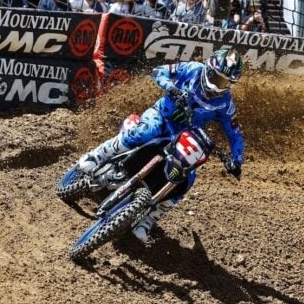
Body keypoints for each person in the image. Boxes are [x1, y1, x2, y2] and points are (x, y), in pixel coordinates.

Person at [76, 48, 245, 242]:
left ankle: (147, 220)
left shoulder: (225, 103)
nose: (218, 84)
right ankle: (97, 155)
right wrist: (171, 88)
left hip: (181, 135)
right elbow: (159, 71)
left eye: (224, 81)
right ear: (209, 68)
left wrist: (237, 160)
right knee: (146, 131)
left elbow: (235, 134)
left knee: (187, 177)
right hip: (161, 116)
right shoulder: (193, 69)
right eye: (217, 77)